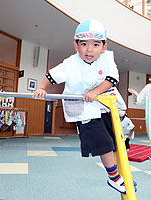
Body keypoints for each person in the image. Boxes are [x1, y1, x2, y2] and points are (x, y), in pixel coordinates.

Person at [33, 19, 137, 194]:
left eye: (95, 44)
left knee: (112, 142)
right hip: (84, 112)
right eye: (84, 44)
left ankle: (116, 174)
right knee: (103, 144)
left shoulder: (107, 59)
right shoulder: (70, 63)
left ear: (103, 47)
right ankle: (114, 178)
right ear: (76, 45)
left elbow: (112, 80)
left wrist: (95, 91)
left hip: (105, 107)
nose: (89, 50)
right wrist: (42, 88)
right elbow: (51, 76)